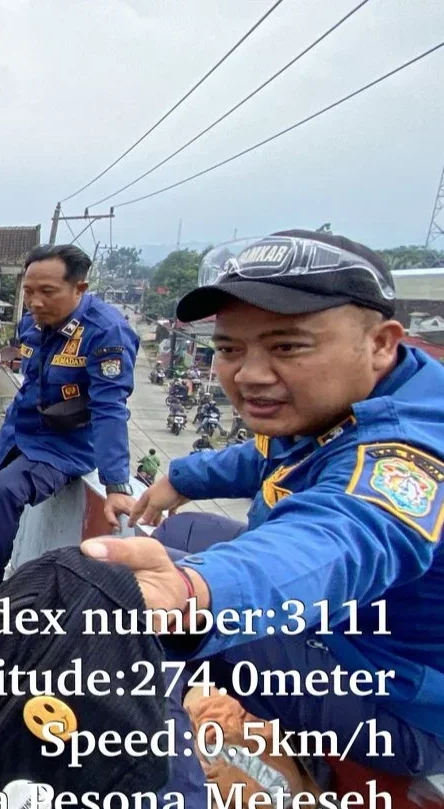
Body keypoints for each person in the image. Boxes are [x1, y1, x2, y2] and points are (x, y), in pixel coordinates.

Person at [83, 230, 444, 804]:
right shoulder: (355, 391)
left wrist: (197, 590)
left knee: (138, 625)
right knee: (182, 531)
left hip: (389, 702)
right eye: (229, 349)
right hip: (340, 630)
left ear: (380, 342)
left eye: (288, 346)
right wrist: (180, 479)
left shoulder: (409, 457)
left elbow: (340, 536)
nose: (249, 374)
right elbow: (271, 452)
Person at [0, 244, 140, 615]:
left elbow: (110, 409)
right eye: (28, 292)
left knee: (4, 491)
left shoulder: (106, 333)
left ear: (79, 289)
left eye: (47, 292)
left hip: (64, 444)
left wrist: (116, 484)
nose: (34, 302)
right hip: (19, 428)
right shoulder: (32, 323)